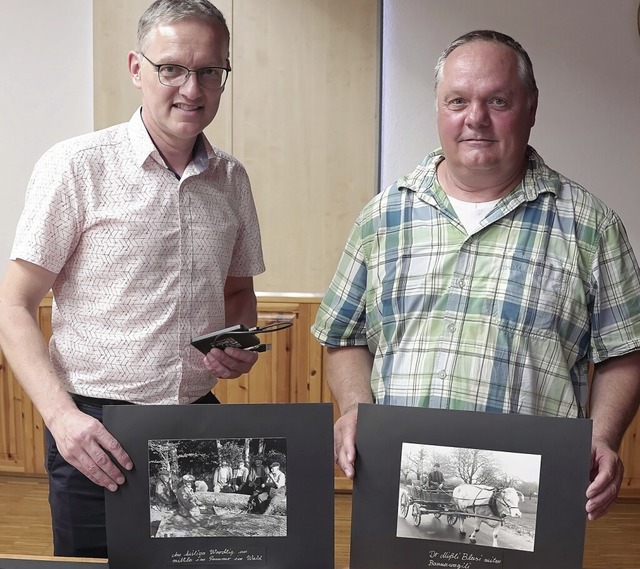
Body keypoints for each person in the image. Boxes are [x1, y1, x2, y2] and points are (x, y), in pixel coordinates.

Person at [311, 29, 640, 522]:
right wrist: (355, 408)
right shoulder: (382, 218)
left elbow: (624, 353)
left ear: (530, 106)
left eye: (498, 100)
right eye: (458, 100)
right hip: (398, 493)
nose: (475, 118)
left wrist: (602, 438)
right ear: (439, 108)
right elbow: (344, 337)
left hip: (526, 508)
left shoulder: (591, 227)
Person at [0, 0, 264, 558]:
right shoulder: (75, 166)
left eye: (209, 72)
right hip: (94, 430)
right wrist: (61, 419)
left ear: (222, 77)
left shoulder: (232, 179)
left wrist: (240, 340)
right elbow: (13, 306)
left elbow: (238, 292)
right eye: (172, 68)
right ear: (136, 68)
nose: (191, 89)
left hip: (198, 423)